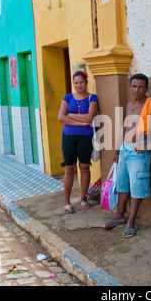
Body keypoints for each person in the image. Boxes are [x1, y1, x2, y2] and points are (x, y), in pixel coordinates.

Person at [103, 73, 151, 238]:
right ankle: (119, 215)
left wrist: (149, 144)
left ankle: (131, 222)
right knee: (123, 185)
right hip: (125, 149)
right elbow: (124, 128)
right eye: (134, 86)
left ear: (146, 89)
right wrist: (117, 150)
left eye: (141, 87)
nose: (136, 90)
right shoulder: (129, 104)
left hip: (139, 151)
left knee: (136, 187)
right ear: (130, 87)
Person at [58, 71, 99, 214]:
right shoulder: (68, 97)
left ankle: (83, 198)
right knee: (69, 169)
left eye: (81, 82)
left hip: (85, 138)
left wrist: (71, 116)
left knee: (84, 168)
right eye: (76, 83)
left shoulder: (92, 98)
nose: (78, 85)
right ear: (73, 83)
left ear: (86, 82)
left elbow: (90, 118)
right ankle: (67, 202)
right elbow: (60, 117)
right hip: (68, 137)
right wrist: (80, 123)